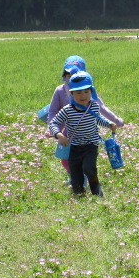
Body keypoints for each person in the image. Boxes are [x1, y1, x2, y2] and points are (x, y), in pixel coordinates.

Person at [46, 55, 124, 184]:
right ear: (64, 76)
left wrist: (116, 120)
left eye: (74, 75)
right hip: (67, 131)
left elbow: (101, 108)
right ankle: (74, 176)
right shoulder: (59, 91)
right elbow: (53, 111)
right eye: (67, 75)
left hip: (86, 131)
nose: (70, 79)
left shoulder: (88, 91)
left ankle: (83, 177)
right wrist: (54, 129)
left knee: (85, 157)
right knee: (65, 158)